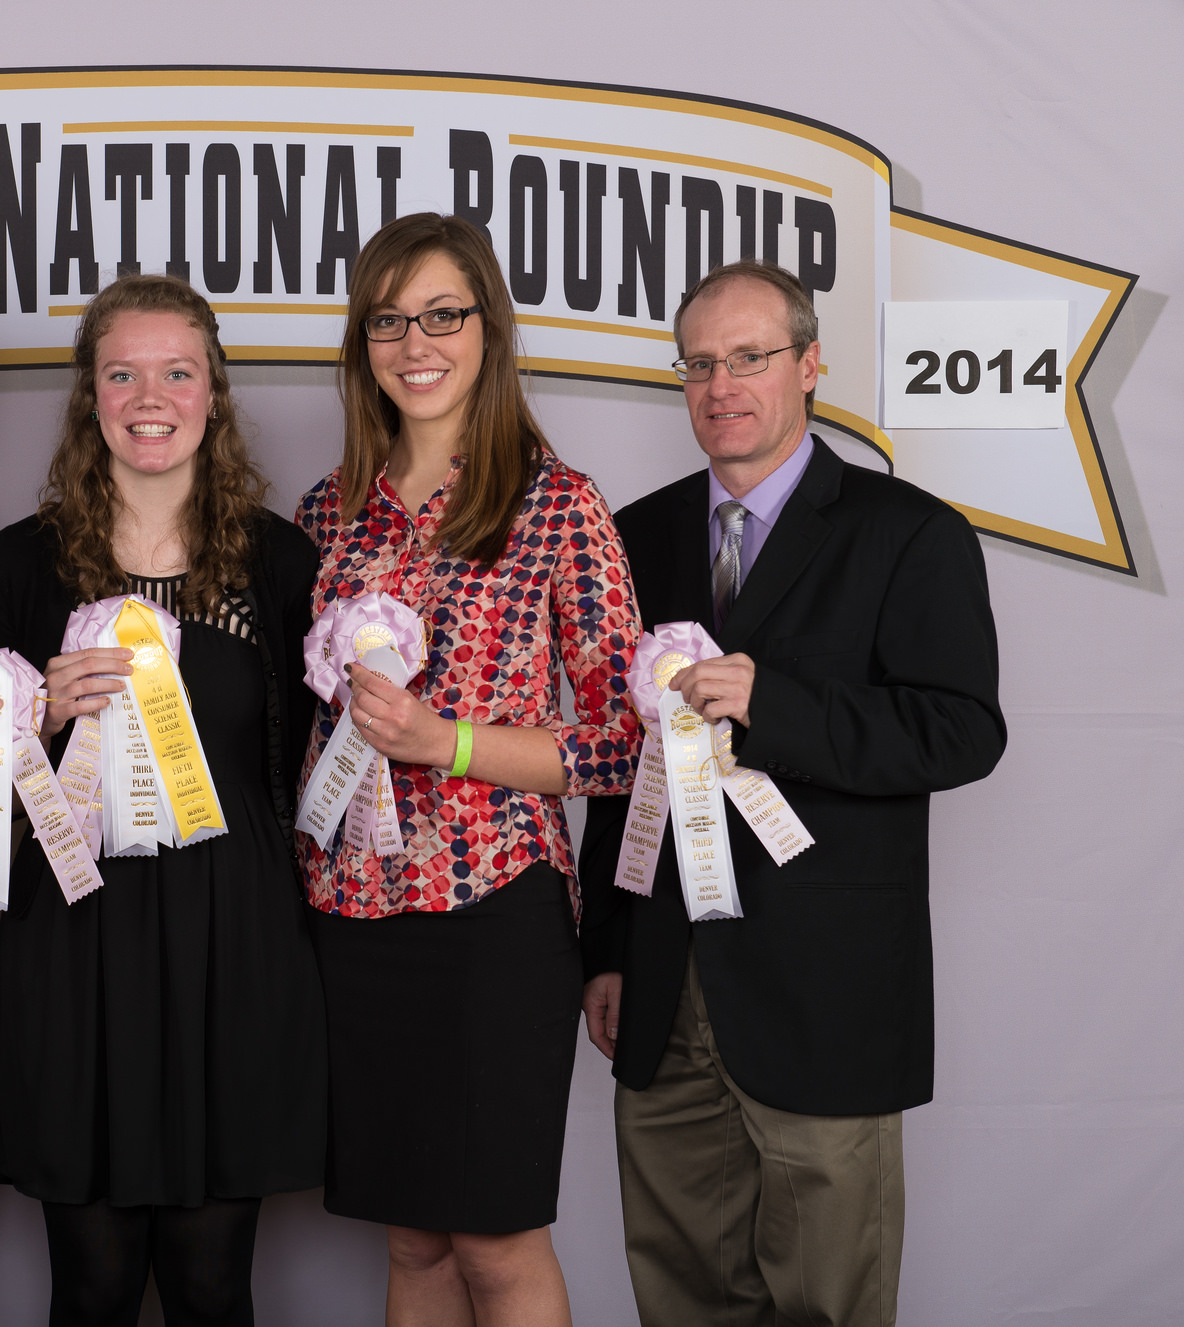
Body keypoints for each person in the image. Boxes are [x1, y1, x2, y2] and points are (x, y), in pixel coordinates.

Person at [577, 258, 1006, 1327]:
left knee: (827, 1300)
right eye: (699, 364)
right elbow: (607, 758)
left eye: (750, 358)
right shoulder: (634, 539)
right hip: (666, 984)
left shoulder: (907, 533)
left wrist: (780, 704)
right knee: (680, 1293)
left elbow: (960, 730)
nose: (721, 386)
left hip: (827, 994)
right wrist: (605, 949)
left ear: (808, 366)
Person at [292, 213, 640, 1327]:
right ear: (362, 343)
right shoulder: (323, 514)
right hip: (350, 911)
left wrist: (445, 743)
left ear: (487, 326)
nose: (414, 341)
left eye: (442, 313)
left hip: (496, 911)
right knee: (413, 1240)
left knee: (493, 1239)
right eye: (387, 319)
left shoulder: (556, 503)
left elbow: (621, 742)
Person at [0, 273, 325, 1327]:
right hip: (73, 945)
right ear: (90, 395)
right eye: (121, 373)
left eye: (176, 371)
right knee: (91, 1281)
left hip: (234, 942)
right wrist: (28, 718)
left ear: (212, 392)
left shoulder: (278, 560)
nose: (149, 395)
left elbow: (307, 763)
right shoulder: (17, 565)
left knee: (214, 1282)